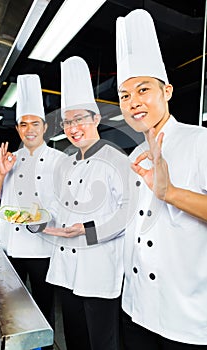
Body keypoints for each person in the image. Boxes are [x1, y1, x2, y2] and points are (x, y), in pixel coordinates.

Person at [116, 8, 207, 350]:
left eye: (143, 90)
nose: (133, 103)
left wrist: (169, 192)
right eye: (125, 96)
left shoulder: (200, 141)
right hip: (136, 309)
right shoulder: (134, 156)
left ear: (166, 91)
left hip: (185, 319)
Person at [42, 56, 130, 350]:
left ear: (96, 119)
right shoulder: (65, 164)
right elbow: (56, 209)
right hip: (66, 271)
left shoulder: (117, 160)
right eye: (68, 121)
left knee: (101, 344)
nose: (73, 127)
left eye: (80, 119)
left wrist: (87, 230)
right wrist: (36, 222)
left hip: (98, 271)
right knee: (75, 340)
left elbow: (127, 214)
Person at [0, 74, 66, 350]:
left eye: (35, 123)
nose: (29, 129)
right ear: (18, 128)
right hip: (11, 249)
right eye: (23, 124)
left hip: (44, 250)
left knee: (42, 310)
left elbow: (68, 208)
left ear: (45, 126)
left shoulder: (60, 162)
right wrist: (1, 174)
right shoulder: (8, 160)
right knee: (10, 311)